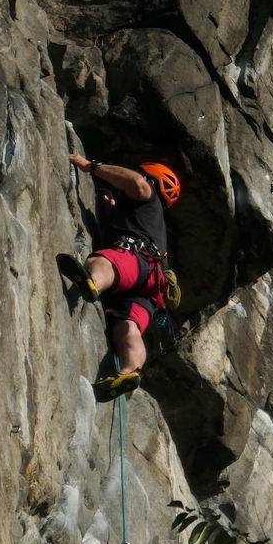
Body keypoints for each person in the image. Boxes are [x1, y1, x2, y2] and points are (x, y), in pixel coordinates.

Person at [63, 155, 181, 401]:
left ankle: (92, 281)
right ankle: (128, 371)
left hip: (135, 261)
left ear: (151, 179)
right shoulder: (150, 220)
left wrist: (91, 167)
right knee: (128, 329)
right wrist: (111, 210)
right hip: (152, 289)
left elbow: (136, 183)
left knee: (103, 262)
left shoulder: (147, 194)